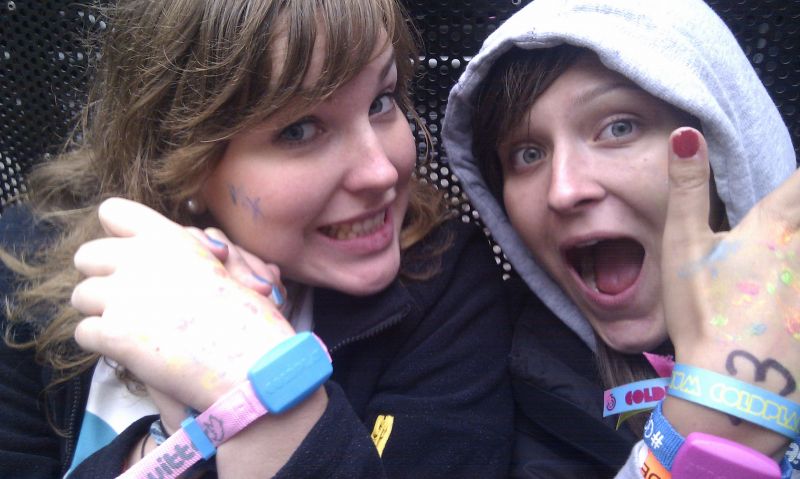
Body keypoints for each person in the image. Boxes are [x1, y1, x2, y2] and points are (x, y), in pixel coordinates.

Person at [0, 0, 515, 477]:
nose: (381, 171)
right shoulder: (27, 264)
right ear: (182, 163)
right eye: (300, 130)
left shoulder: (445, 283)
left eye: (380, 102)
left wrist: (261, 393)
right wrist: (178, 437)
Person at [442, 0, 799, 477]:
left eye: (618, 128)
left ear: (721, 145)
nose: (564, 190)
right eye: (527, 154)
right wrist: (707, 446)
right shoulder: (507, 388)